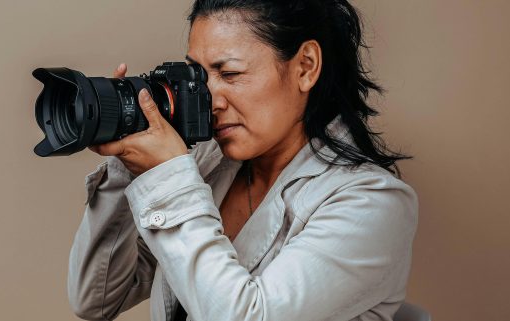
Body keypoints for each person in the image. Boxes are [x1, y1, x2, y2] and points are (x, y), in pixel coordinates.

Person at [67, 1, 418, 320]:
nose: (212, 100)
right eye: (200, 77)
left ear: (305, 67)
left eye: (230, 74)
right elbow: (95, 300)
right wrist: (126, 163)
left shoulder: (372, 203)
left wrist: (167, 176)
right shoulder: (208, 165)